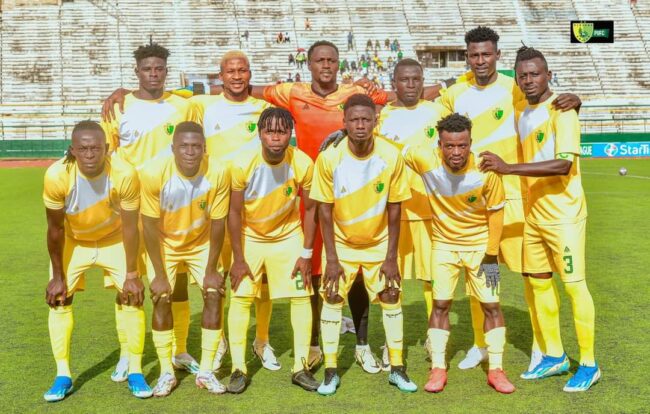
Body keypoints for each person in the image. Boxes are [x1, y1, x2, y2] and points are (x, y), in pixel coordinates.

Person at [437, 26, 582, 372]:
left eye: (486, 54)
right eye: (474, 55)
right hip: (474, 201)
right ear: (467, 57)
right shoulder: (455, 93)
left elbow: (548, 102)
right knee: (479, 275)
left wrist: (576, 100)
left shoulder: (514, 87)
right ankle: (481, 344)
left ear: (497, 55)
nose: (480, 60)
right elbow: (432, 120)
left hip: (517, 196)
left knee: (533, 277)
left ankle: (542, 347)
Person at [480, 46, 600, 392]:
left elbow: (564, 165)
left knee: (574, 287)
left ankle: (589, 364)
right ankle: (554, 355)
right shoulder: (521, 110)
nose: (529, 80)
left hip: (564, 215)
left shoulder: (563, 112)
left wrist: (508, 169)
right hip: (534, 215)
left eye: (535, 74)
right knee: (538, 283)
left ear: (549, 75)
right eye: (523, 76)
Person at [100, 42, 198, 379]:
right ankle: (128, 353)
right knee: (128, 281)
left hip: (173, 208)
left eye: (159, 69)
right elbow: (106, 156)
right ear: (137, 72)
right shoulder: (119, 107)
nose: (153, 74)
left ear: (166, 71)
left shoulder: (184, 105)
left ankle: (180, 349)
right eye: (147, 69)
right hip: (129, 209)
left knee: (176, 281)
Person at [310, 94, 417, 395]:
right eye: (354, 120)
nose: (360, 125)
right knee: (332, 296)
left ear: (375, 121)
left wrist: (391, 256)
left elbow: (395, 208)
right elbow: (324, 210)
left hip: (379, 243)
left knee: (391, 295)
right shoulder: (329, 157)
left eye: (366, 119)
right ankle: (331, 371)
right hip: (341, 244)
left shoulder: (390, 155)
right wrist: (332, 258)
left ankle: (397, 368)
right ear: (344, 122)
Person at [402, 113, 515, 394]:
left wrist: (492, 254)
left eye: (462, 146)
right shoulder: (424, 159)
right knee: (440, 305)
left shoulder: (486, 171)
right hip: (443, 246)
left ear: (470, 143)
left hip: (481, 249)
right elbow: (390, 149)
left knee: (491, 305)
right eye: (449, 146)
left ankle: (496, 370)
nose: (456, 152)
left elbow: (496, 214)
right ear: (439, 145)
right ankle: (438, 368)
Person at [43, 121, 150, 401]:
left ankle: (135, 371)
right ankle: (62, 375)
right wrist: (57, 277)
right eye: (83, 149)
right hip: (75, 242)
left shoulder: (125, 173)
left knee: (132, 296)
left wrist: (132, 273)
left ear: (107, 148)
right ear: (73, 150)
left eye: (96, 148)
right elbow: (55, 230)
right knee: (59, 298)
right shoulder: (57, 175)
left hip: (115, 239)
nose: (90, 154)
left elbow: (131, 227)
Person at [188, 50, 275, 372]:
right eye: (231, 71)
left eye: (242, 70)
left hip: (255, 204)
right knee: (216, 276)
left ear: (250, 74)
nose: (237, 76)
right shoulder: (202, 106)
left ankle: (262, 340)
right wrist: (123, 92)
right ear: (220, 75)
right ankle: (220, 340)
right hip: (216, 205)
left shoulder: (263, 109)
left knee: (261, 278)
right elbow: (164, 99)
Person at [227, 107, 319, 393]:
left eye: (282, 131)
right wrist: (238, 258)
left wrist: (306, 254)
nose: (276, 138)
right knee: (241, 297)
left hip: (287, 236)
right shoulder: (242, 163)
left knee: (301, 296)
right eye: (270, 131)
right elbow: (233, 212)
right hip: (250, 236)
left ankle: (300, 368)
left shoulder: (302, 162)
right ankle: (238, 369)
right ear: (260, 133)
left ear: (290, 133)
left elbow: (311, 209)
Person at [140, 121, 230, 396]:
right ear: (173, 148)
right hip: (164, 243)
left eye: (196, 146)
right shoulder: (153, 173)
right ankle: (166, 372)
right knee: (161, 297)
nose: (190, 152)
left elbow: (219, 222)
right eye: (184, 146)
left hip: (201, 243)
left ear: (204, 148)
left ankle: (206, 371)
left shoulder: (218, 171)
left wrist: (212, 269)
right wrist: (159, 274)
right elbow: (148, 226)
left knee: (214, 293)